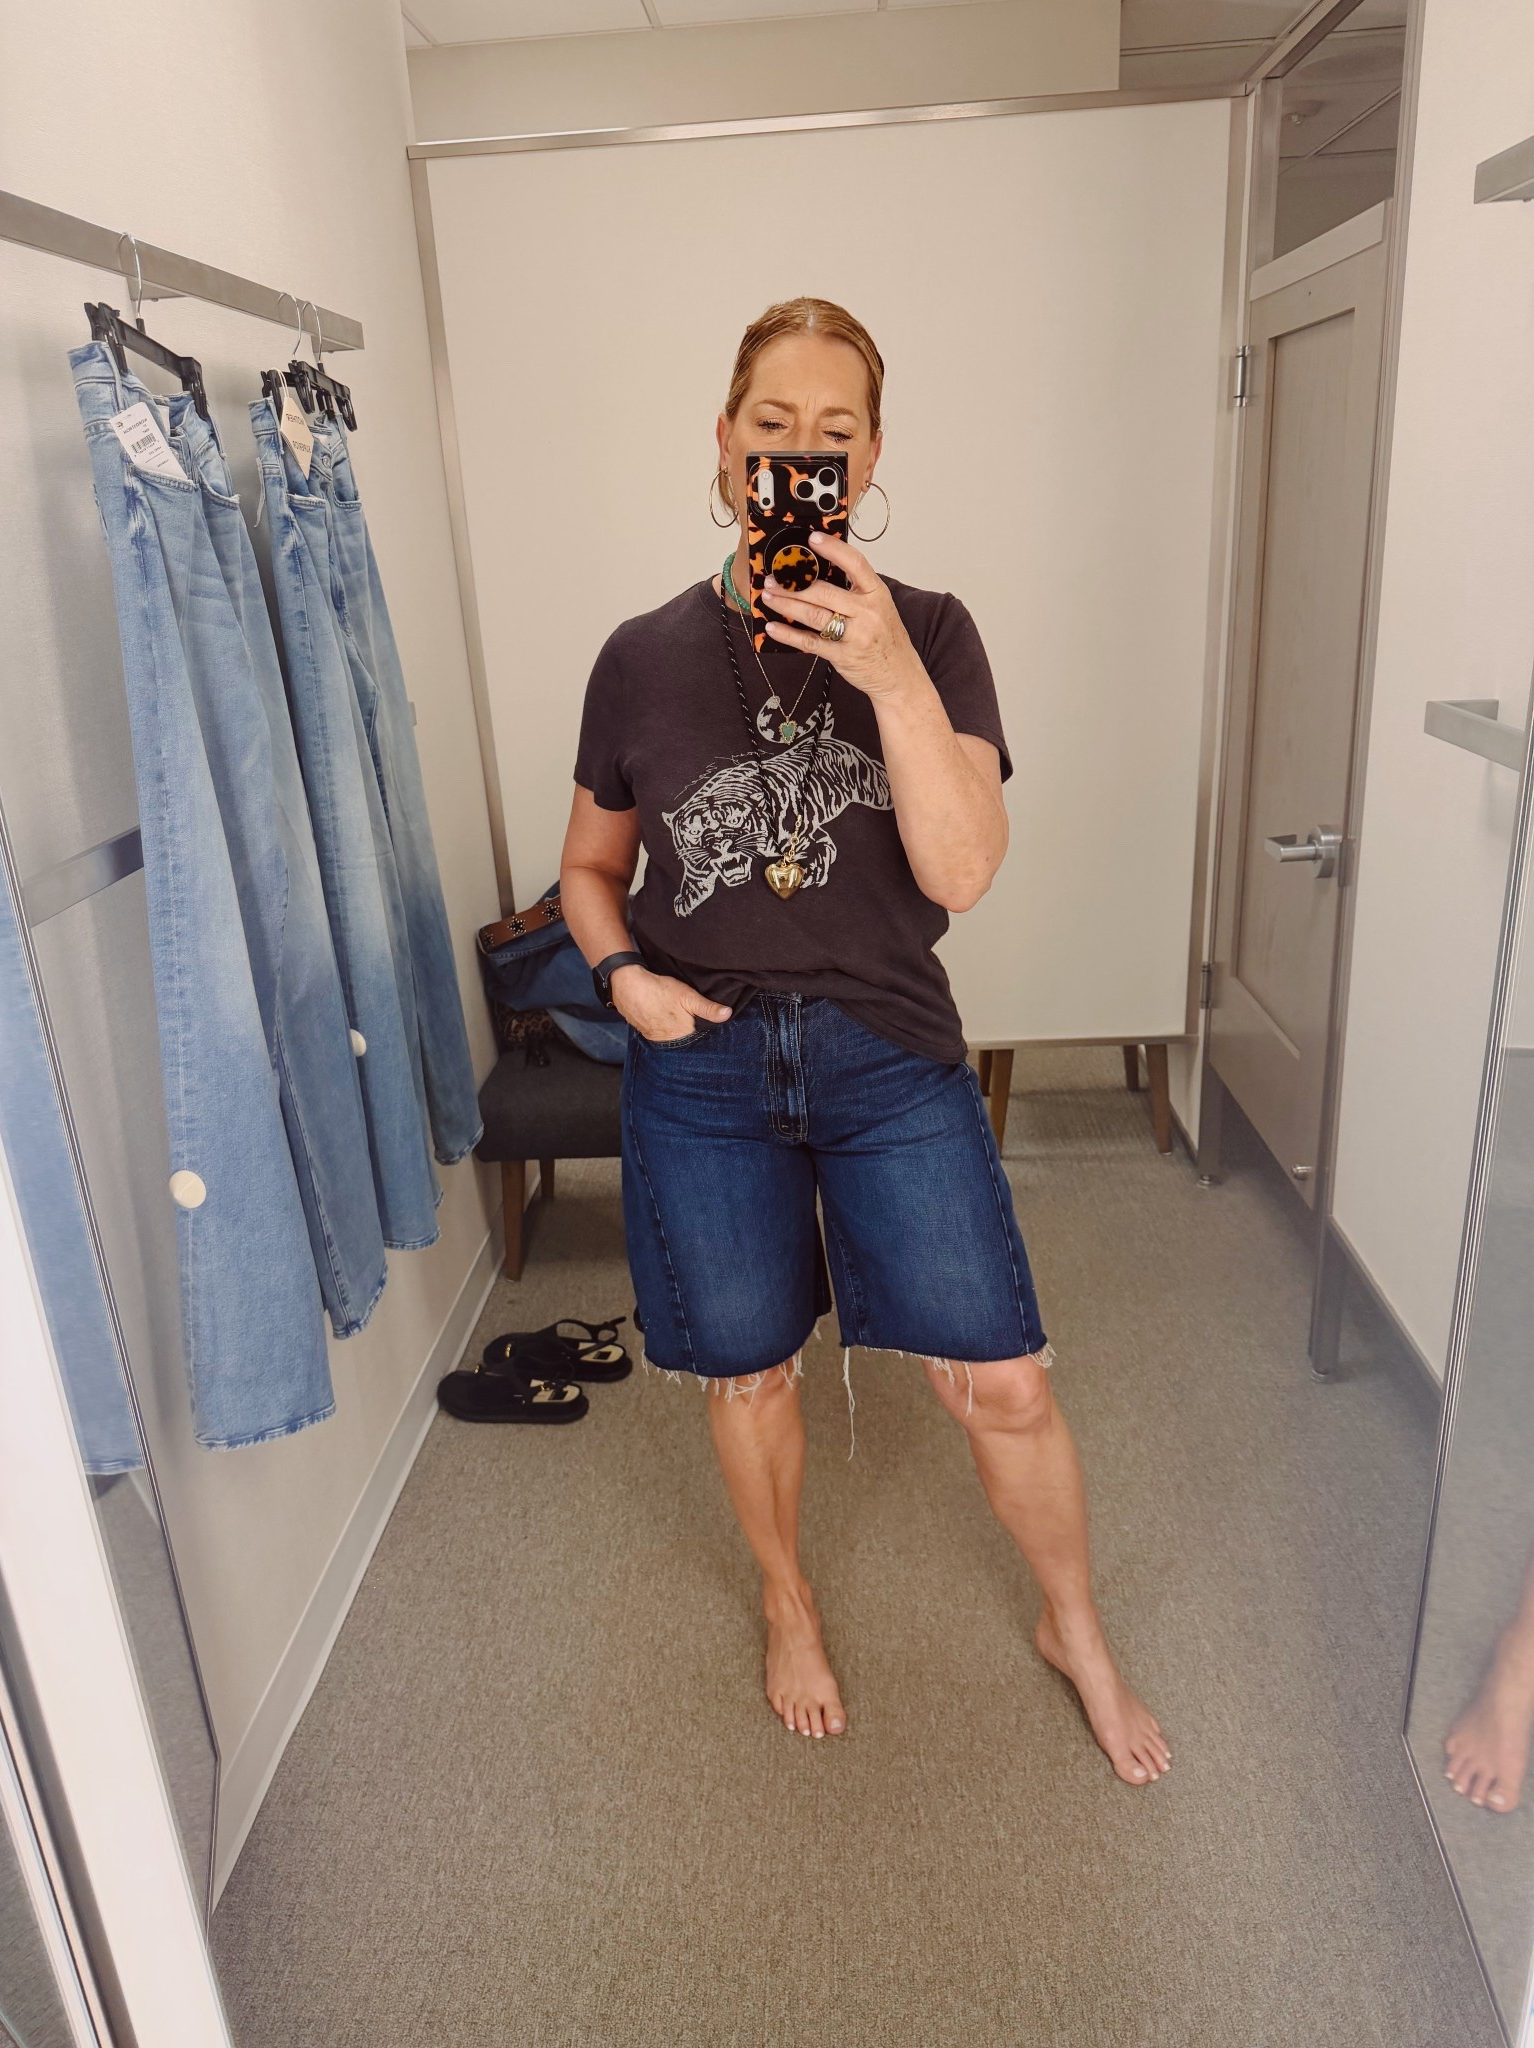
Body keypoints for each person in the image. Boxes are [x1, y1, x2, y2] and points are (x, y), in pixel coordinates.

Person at [560, 297, 1169, 1784]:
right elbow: (587, 867)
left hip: (886, 1051)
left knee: (1003, 1379)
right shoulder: (639, 656)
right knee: (749, 1372)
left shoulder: (936, 633)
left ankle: (1075, 1627)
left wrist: (887, 668)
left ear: (873, 459)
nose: (799, 455)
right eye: (772, 427)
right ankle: (788, 1600)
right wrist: (621, 973)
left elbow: (961, 871)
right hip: (700, 1060)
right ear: (725, 442)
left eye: (833, 436)